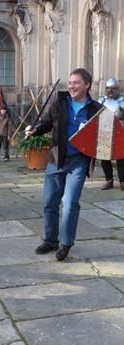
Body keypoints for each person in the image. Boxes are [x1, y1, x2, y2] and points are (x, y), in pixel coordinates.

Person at [25, 68, 102, 261]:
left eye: (76, 83)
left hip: (78, 162)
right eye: (70, 83)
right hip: (56, 158)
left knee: (69, 203)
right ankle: (50, 240)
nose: (71, 86)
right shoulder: (60, 103)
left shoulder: (96, 109)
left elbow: (106, 135)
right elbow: (46, 123)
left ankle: (65, 243)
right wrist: (35, 130)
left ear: (87, 85)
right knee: (50, 202)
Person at [98, 77, 124, 190]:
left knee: (121, 158)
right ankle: (109, 180)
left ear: (117, 89)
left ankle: (123, 181)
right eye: (108, 88)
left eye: (113, 88)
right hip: (105, 131)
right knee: (104, 157)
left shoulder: (122, 100)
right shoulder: (101, 101)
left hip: (120, 131)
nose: (110, 91)